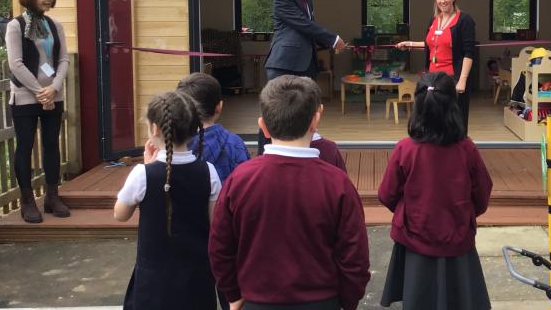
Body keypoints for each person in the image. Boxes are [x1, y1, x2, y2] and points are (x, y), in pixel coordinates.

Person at [209, 75, 370, 310]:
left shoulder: (240, 180)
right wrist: (347, 300)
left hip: (255, 300)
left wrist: (233, 295)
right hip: (323, 301)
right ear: (316, 120)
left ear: (262, 126)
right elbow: (355, 254)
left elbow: (220, 246)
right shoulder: (337, 183)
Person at [378, 71, 492, 310]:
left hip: (415, 234)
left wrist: (407, 210)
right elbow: (482, 194)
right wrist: (465, 214)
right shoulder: (467, 149)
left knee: (418, 298)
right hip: (457, 236)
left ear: (418, 107)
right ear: (453, 105)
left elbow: (386, 193)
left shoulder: (406, 149)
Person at [114, 91, 221, 310]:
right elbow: (215, 223)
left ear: (154, 129)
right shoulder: (208, 172)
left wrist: (147, 165)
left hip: (154, 280)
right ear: (194, 128)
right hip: (197, 277)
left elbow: (120, 214)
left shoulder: (142, 174)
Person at [261, 0, 346, 154]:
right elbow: (304, 24)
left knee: (302, 111)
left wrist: (331, 44)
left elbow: (305, 31)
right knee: (273, 113)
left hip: (304, 63)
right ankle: (264, 155)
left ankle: (300, 153)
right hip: (283, 63)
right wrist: (333, 39)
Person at [6, 0, 70, 223]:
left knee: (52, 145)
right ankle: (27, 201)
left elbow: (63, 59)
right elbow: (16, 63)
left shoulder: (55, 25)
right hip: (25, 96)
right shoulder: (16, 26)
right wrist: (39, 92)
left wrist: (53, 88)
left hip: (53, 95)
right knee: (24, 147)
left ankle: (52, 197)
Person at [396, 0, 476, 135]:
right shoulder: (434, 20)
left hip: (453, 79)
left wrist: (462, 80)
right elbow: (431, 45)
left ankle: (457, 155)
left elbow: (468, 53)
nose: (442, 1)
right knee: (433, 121)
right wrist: (410, 44)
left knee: (454, 122)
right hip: (433, 79)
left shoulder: (464, 20)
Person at [176, 72, 250, 182]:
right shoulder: (234, 143)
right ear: (219, 106)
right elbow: (245, 182)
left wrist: (150, 164)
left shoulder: (173, 145)